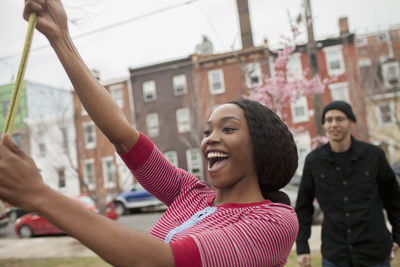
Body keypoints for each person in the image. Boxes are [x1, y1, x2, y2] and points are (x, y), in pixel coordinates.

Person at [0, 1, 299, 266]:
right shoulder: (190, 194)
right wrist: (60, 37)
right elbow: (123, 135)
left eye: (228, 128)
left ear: (261, 146)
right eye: (208, 130)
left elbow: (160, 261)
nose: (210, 139)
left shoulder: (273, 221)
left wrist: (39, 195)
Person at [295, 100, 400, 267]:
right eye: (329, 120)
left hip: (374, 252)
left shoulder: (374, 156)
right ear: (324, 125)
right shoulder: (314, 161)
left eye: (340, 119)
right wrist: (302, 247)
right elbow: (303, 207)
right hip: (335, 255)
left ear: (351, 122)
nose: (334, 124)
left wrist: (397, 237)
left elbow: (394, 200)